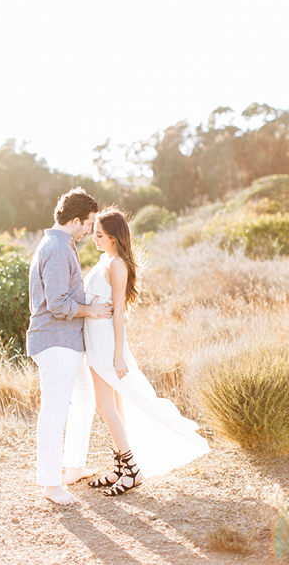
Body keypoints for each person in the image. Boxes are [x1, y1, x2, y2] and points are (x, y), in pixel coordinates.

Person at [84, 207, 209, 496]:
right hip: (96, 339)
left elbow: (119, 315)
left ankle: (131, 469)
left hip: (105, 342)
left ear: (114, 237)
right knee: (113, 407)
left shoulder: (116, 266)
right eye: (94, 234)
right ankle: (120, 467)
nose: (95, 239)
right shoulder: (107, 260)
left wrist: (117, 355)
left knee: (106, 407)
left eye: (100, 235)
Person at [27, 187, 111, 506]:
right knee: (54, 411)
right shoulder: (59, 249)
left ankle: (74, 466)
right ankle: (51, 484)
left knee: (85, 398)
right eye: (89, 223)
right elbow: (59, 304)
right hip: (55, 340)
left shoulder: (61, 244)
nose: (91, 229)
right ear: (76, 221)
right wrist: (92, 310)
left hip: (67, 341)